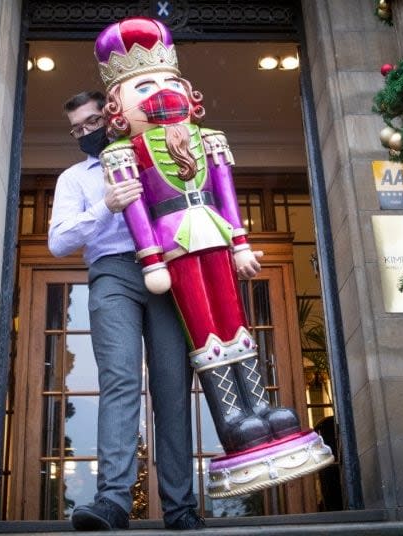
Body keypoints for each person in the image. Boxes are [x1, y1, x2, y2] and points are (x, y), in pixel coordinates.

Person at [94, 17, 334, 498]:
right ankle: (233, 418)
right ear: (119, 104)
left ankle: (262, 406)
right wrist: (151, 259)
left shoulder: (211, 139)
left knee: (235, 320)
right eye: (145, 85)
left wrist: (241, 243)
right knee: (204, 328)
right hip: (172, 241)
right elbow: (137, 210)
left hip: (214, 233)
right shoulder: (122, 152)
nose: (162, 93)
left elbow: (226, 194)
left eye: (168, 81)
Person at [48, 91, 205, 531]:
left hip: (168, 269)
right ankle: (114, 501)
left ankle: (180, 508)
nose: (85, 132)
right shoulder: (74, 179)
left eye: (92, 121)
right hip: (112, 273)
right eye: (77, 128)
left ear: (112, 117)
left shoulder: (157, 153)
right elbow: (58, 242)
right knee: (119, 381)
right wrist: (106, 205)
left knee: (173, 387)